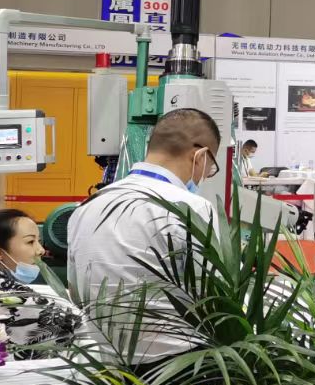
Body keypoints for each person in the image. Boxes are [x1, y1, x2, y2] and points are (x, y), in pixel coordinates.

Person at [67, 107, 221, 366]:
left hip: (104, 365)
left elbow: (76, 292)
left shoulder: (88, 206)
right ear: (201, 156)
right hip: (176, 369)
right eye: (210, 168)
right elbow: (212, 299)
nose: (205, 175)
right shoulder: (192, 208)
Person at [0, 209, 82, 349]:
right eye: (30, 242)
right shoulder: (16, 298)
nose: (41, 250)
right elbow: (85, 330)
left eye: (39, 241)